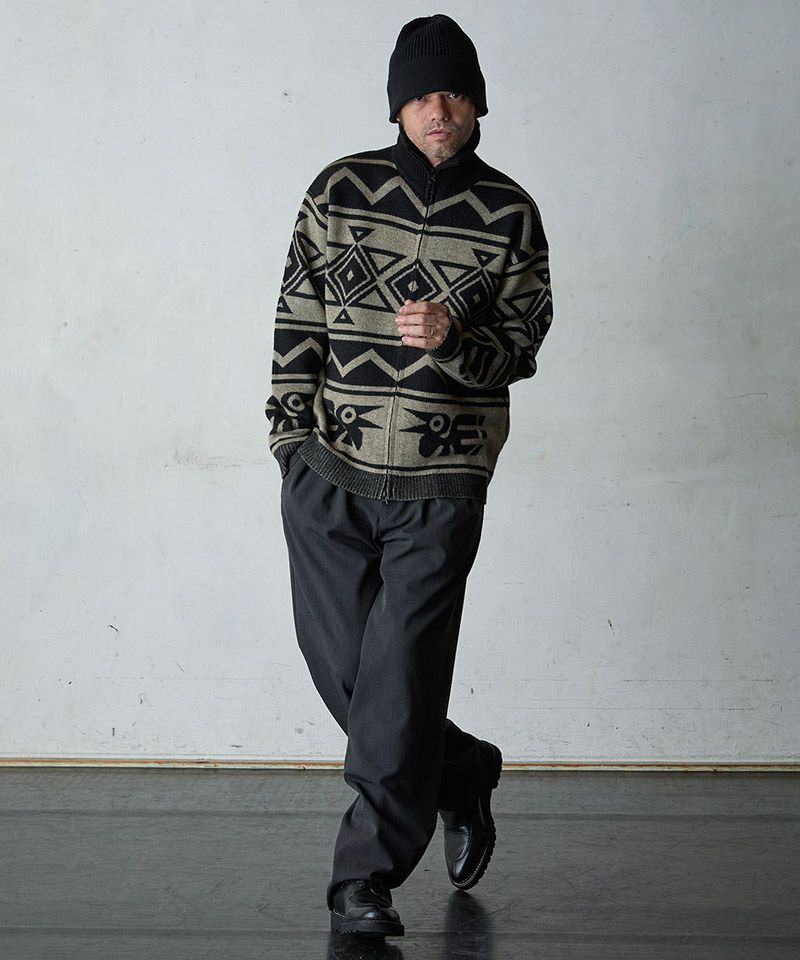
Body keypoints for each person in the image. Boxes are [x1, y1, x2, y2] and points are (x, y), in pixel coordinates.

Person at [265, 13, 553, 939]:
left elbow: (522, 348)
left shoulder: (510, 215)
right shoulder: (339, 190)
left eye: (455, 94)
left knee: (396, 687)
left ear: (477, 105)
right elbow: (297, 316)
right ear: (397, 105)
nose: (439, 110)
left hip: (442, 483)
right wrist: (288, 442)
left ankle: (365, 882)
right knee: (347, 672)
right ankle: (459, 767)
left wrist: (456, 339)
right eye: (423, 95)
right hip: (329, 473)